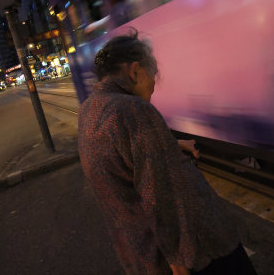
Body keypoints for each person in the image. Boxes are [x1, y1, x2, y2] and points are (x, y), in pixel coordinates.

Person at [78, 31, 257, 275]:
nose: (154, 83)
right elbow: (157, 193)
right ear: (135, 71)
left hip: (140, 254)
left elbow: (124, 158)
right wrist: (177, 259)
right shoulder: (134, 110)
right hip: (197, 254)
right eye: (154, 74)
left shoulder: (90, 108)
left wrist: (169, 145)